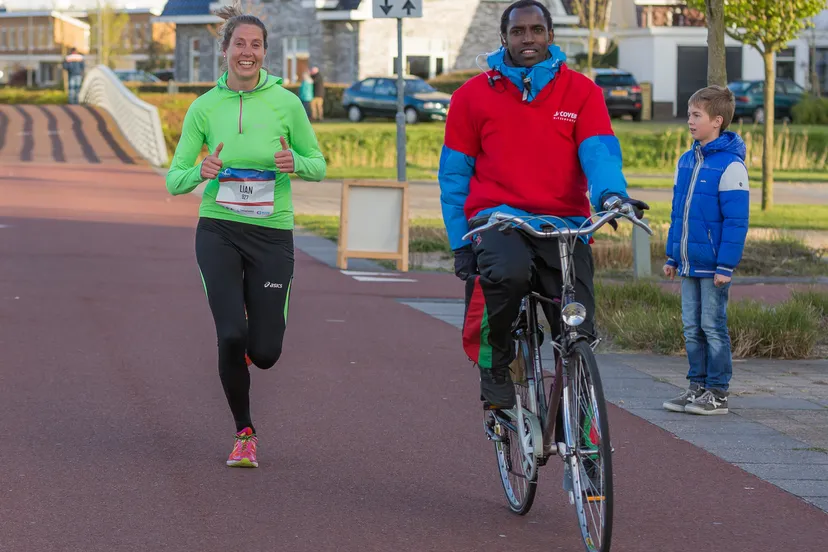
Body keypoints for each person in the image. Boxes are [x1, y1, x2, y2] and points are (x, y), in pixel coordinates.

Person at [438, 0, 649, 409]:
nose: (528, 38)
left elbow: (600, 153)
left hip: (563, 221)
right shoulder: (471, 97)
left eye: (537, 30)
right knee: (506, 275)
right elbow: (454, 178)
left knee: (576, 326)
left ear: (551, 35)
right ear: (505, 38)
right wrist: (460, 243)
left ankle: (584, 434)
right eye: (518, 31)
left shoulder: (582, 92)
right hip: (497, 218)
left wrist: (612, 196)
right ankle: (495, 365)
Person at [165, 2, 327, 467]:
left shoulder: (287, 102)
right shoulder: (204, 107)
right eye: (240, 44)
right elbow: (174, 180)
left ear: (264, 53)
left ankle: (252, 353)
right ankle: (245, 433)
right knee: (231, 335)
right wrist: (202, 169)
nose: (248, 52)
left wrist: (295, 163)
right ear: (225, 50)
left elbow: (318, 164)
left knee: (266, 352)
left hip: (271, 233)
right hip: (218, 229)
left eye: (256, 45)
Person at [662, 85, 749, 416]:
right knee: (691, 327)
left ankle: (718, 392)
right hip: (687, 263)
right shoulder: (686, 162)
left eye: (696, 115)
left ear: (717, 120)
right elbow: (677, 214)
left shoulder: (731, 167)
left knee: (713, 326)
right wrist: (673, 256)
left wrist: (726, 265)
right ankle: (696, 386)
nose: (690, 121)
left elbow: (736, 222)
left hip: (714, 268)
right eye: (689, 115)